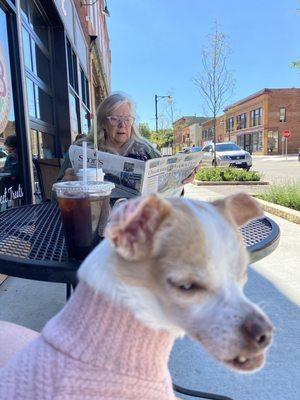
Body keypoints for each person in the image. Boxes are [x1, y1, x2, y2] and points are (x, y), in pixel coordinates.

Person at [57, 92, 197, 184]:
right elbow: (54, 196)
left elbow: (169, 186)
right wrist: (65, 186)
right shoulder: (82, 149)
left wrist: (182, 180)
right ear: (103, 123)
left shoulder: (145, 149)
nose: (122, 125)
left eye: (127, 119)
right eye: (115, 119)